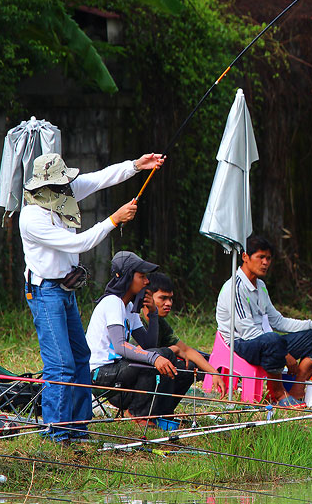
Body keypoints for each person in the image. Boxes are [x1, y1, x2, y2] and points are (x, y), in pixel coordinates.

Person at [19, 151, 163, 442]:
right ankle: (57, 433)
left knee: (80, 356)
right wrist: (113, 220)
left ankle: (78, 429)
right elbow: (78, 242)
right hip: (44, 293)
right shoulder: (32, 217)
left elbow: (99, 179)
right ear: (44, 187)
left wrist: (135, 165)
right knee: (60, 364)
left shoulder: (63, 196)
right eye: (60, 185)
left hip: (66, 290)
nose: (67, 188)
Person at [216, 235, 312, 406]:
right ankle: (278, 394)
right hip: (240, 344)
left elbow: (278, 321)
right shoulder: (235, 288)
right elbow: (248, 332)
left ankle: (297, 388)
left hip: (268, 343)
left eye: (268, 258)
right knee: (272, 340)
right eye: (260, 257)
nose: (265, 262)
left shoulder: (261, 286)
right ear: (245, 257)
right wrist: (284, 354)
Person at [86, 252, 191, 424]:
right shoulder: (113, 302)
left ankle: (160, 414)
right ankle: (139, 414)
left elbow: (149, 344)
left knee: (182, 370)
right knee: (161, 355)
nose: (146, 281)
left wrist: (154, 315)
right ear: (127, 277)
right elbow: (120, 346)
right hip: (100, 374)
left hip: (120, 372)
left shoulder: (128, 307)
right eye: (141, 276)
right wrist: (154, 358)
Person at [138, 272, 226, 398]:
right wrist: (172, 350)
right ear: (147, 298)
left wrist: (214, 373)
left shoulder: (160, 322)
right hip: (133, 377)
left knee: (188, 367)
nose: (169, 303)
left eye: (170, 298)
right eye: (163, 298)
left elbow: (186, 350)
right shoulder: (137, 320)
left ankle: (164, 410)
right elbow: (139, 354)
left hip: (152, 372)